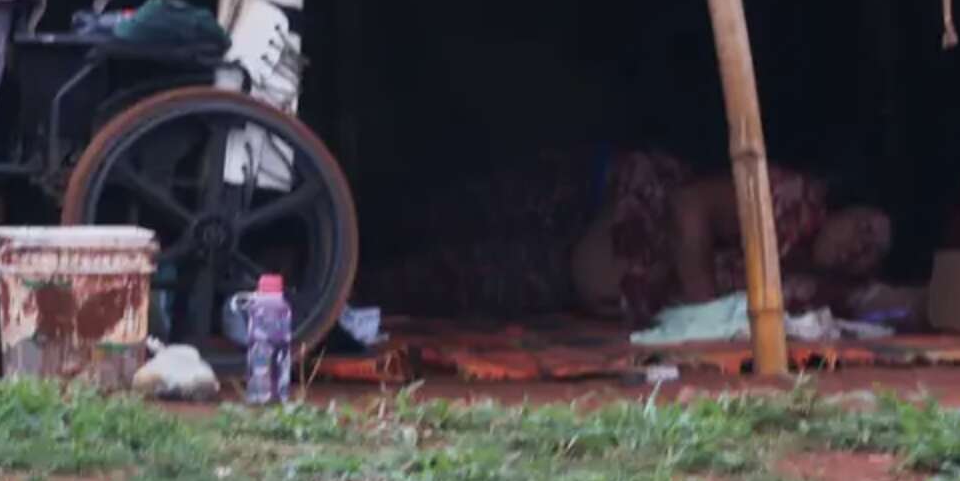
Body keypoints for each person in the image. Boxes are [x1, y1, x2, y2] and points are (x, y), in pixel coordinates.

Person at [357, 148, 893, 326]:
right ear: (850, 205)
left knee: (444, 282)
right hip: (589, 198)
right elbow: (689, 207)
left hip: (583, 268)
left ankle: (332, 285)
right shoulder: (793, 201)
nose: (859, 246)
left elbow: (899, 306)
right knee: (442, 216)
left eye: (871, 254)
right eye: (866, 228)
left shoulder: (810, 285)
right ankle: (325, 235)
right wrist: (704, 314)